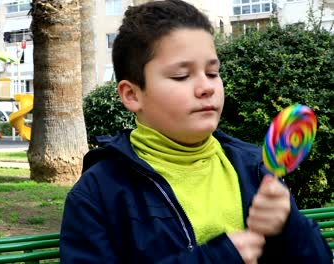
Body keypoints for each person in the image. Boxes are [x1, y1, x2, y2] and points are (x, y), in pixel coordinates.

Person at [59, 0, 332, 263]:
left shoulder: (256, 169)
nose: (207, 87)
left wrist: (291, 229)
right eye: (181, 76)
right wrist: (219, 258)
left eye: (213, 73)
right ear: (132, 95)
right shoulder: (97, 195)